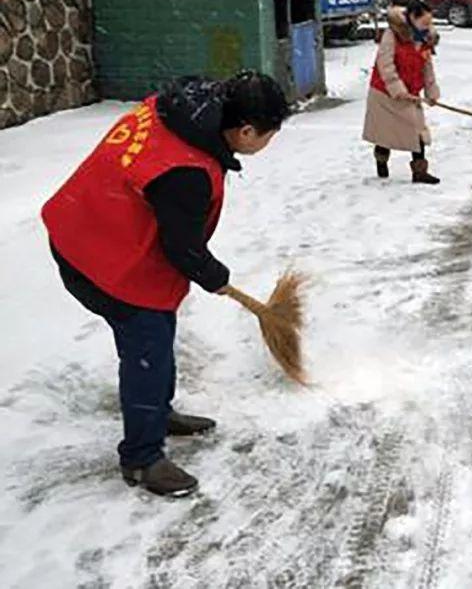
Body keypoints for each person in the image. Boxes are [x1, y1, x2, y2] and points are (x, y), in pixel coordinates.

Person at [41, 71, 291, 497]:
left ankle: (157, 410)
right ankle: (142, 458)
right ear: (246, 131)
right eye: (268, 136)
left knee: (157, 330)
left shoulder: (180, 111)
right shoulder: (187, 170)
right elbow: (182, 249)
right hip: (98, 255)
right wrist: (217, 277)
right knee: (147, 346)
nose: (267, 145)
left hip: (87, 221)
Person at [363, 0, 442, 185]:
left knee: (417, 133)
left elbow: (427, 67)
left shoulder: (424, 39)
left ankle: (420, 172)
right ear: (412, 19)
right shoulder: (392, 34)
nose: (428, 26)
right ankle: (381, 163)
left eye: (430, 22)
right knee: (384, 134)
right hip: (385, 93)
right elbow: (385, 64)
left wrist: (431, 92)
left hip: (411, 94)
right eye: (424, 22)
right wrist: (397, 89)